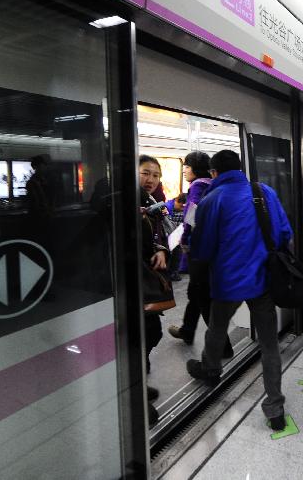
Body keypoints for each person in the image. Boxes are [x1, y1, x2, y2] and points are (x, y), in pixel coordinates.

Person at [185, 150, 291, 431]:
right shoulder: (263, 191)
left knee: (217, 329)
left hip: (226, 282)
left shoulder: (211, 200)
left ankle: (211, 370)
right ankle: (275, 408)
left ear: (215, 173)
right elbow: (284, 233)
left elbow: (203, 250)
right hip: (263, 280)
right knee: (269, 345)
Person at [169, 152, 232, 358]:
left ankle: (223, 346)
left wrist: (185, 238)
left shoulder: (197, 186)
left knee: (202, 295)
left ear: (195, 167)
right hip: (213, 247)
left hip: (199, 249)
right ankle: (187, 330)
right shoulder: (213, 184)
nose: (184, 169)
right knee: (197, 292)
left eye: (186, 166)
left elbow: (192, 214)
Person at [138, 156, 171, 425]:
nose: (151, 180)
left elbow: (157, 236)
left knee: (150, 333)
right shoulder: (122, 201)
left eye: (155, 175)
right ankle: (134, 395)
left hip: (145, 278)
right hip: (129, 281)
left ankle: (138, 383)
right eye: (145, 173)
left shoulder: (151, 203)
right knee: (141, 336)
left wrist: (160, 248)